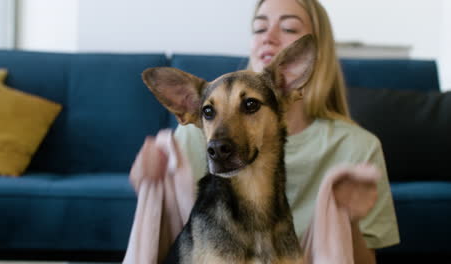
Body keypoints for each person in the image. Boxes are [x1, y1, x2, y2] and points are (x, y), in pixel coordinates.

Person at [137, 0, 400, 263]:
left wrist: (349, 219)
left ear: (300, 64)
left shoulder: (358, 146)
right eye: (260, 28)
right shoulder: (194, 139)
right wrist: (147, 186)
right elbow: (158, 237)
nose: (269, 38)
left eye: (288, 28)